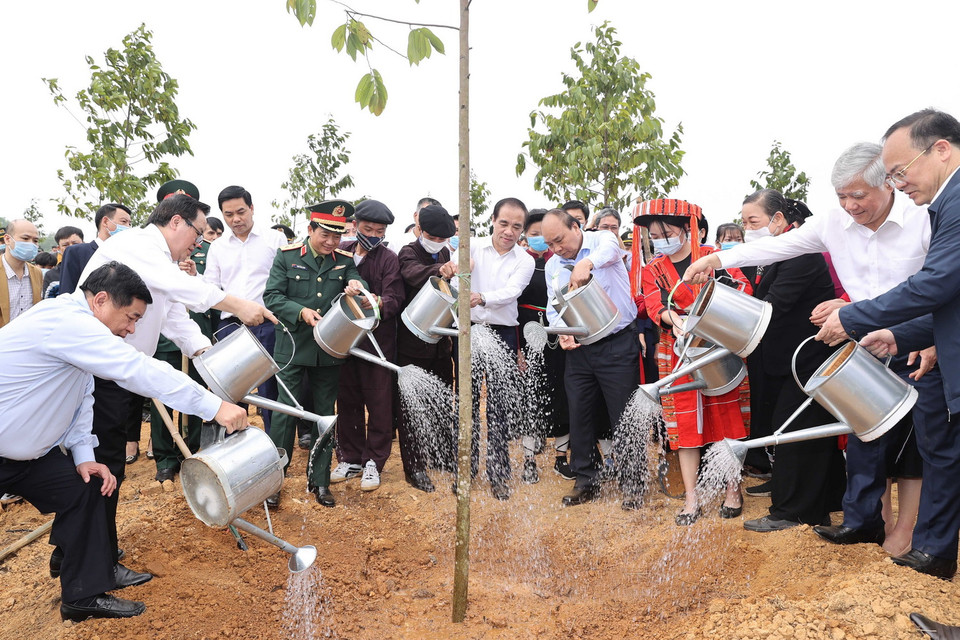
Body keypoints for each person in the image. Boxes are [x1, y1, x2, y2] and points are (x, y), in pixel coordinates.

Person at [685, 141, 937, 560]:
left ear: (888, 184)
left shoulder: (920, 218)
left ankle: (907, 531)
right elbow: (777, 247)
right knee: (864, 437)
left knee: (915, 446)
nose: (850, 206)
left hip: (915, 344)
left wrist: (928, 334)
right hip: (865, 346)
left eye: (859, 196)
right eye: (842, 197)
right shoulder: (833, 224)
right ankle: (869, 522)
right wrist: (716, 261)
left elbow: (937, 283)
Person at [0, 262, 248, 621]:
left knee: (87, 486)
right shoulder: (66, 322)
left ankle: (81, 596)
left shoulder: (81, 335)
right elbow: (138, 369)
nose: (131, 330)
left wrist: (84, 455)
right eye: (130, 318)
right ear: (100, 300)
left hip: (27, 456)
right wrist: (213, 406)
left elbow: (80, 399)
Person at [73, 191, 275, 575]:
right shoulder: (138, 245)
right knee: (103, 465)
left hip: (116, 371)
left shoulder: (159, 261)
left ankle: (78, 551)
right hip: (100, 373)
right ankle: (93, 561)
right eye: (197, 233)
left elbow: (173, 317)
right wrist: (239, 305)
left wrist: (204, 351)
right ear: (176, 222)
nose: (199, 242)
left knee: (106, 462)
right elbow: (188, 292)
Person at [814, 109, 960, 579]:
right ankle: (934, 554)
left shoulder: (951, 203)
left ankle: (929, 547)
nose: (900, 183)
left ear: (940, 149)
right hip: (915, 342)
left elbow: (935, 285)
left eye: (900, 171)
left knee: (931, 451)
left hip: (932, 363)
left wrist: (853, 317)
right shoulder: (944, 202)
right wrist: (899, 334)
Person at [732, 190, 846, 533]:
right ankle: (827, 498)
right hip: (788, 357)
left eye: (753, 221)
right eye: (744, 222)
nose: (747, 228)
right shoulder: (779, 256)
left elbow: (772, 307)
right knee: (808, 428)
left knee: (796, 427)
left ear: (778, 220)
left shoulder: (802, 256)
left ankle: (795, 510)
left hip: (808, 357)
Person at [636, 199, 750, 524]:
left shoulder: (713, 256)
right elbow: (653, 304)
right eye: (655, 235)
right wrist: (675, 318)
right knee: (684, 423)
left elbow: (744, 286)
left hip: (718, 345)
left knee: (726, 417)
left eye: (668, 232)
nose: (662, 239)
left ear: (688, 229)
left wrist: (714, 292)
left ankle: (732, 488)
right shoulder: (652, 269)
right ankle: (691, 497)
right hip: (677, 350)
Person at [263, 200, 366, 508]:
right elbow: (272, 296)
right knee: (284, 415)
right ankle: (274, 483)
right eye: (325, 235)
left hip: (328, 348)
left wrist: (356, 284)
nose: (331, 242)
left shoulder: (344, 259)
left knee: (324, 415)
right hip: (292, 346)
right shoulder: (287, 256)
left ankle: (319, 481)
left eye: (337, 236)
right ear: (310, 229)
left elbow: (359, 282)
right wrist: (300, 311)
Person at [541, 208, 640, 509]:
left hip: (617, 344)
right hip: (580, 348)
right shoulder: (553, 266)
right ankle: (586, 479)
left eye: (560, 240)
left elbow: (612, 245)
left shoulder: (601, 242)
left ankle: (632, 483)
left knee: (624, 415)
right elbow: (553, 305)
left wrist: (586, 262)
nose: (557, 249)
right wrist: (562, 331)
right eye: (550, 245)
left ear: (576, 226)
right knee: (579, 413)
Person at [332, 199, 405, 492]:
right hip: (344, 340)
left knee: (378, 403)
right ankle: (349, 457)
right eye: (368, 228)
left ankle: (374, 461)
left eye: (380, 230)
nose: (373, 235)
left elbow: (395, 297)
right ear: (354, 225)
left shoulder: (389, 258)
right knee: (347, 399)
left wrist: (376, 301)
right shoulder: (342, 252)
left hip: (377, 343)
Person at [465, 197, 535, 500]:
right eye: (504, 223)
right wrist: (456, 271)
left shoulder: (525, 259)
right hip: (468, 331)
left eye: (516, 227)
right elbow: (455, 281)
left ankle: (498, 475)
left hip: (504, 333)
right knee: (466, 403)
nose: (509, 231)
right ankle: (464, 471)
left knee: (499, 407)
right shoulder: (471, 248)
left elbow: (512, 292)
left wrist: (481, 297)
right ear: (493, 220)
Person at [205, 185, 287, 434]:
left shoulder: (275, 239)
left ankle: (275, 445)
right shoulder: (217, 247)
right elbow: (210, 288)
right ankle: (233, 446)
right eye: (228, 214)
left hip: (267, 324)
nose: (236, 219)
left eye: (241, 211)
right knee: (230, 390)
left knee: (270, 389)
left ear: (252, 208)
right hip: (230, 326)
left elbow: (285, 282)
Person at [394, 204, 458, 492]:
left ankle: (442, 454)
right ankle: (415, 466)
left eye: (444, 239)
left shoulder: (445, 252)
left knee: (444, 400)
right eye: (433, 237)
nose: (438, 243)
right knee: (411, 407)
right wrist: (439, 269)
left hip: (439, 343)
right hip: (412, 345)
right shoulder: (408, 252)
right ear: (420, 230)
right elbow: (413, 274)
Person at [518, 209, 572, 480]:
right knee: (531, 397)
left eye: (545, 235)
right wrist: (518, 347)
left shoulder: (558, 262)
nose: (540, 239)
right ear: (525, 235)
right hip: (528, 336)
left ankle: (561, 457)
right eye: (534, 234)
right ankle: (528, 459)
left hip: (559, 335)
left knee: (562, 395)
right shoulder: (519, 261)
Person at [59, 203, 133, 295]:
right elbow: (67, 290)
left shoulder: (126, 256)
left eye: (130, 224)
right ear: (105, 222)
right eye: (124, 222)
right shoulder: (77, 252)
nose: (128, 227)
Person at [1, 219, 41, 329]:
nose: (31, 244)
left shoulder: (37, 273)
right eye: (25, 238)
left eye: (35, 240)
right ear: (8, 239)